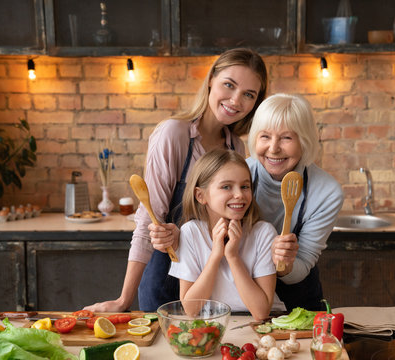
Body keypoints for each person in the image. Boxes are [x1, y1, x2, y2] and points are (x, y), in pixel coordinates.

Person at [84, 48, 268, 312]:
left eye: (248, 94)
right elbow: (149, 219)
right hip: (165, 280)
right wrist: (123, 300)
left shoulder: (236, 148)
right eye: (229, 85)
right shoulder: (174, 134)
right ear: (210, 81)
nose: (236, 100)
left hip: (212, 289)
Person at [246, 93, 344, 311]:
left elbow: (303, 264)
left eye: (286, 138)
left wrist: (284, 264)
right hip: (242, 298)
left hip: (297, 303)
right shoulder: (238, 176)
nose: (273, 148)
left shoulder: (326, 192)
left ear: (305, 140)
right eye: (265, 136)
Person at [169, 149, 285, 320]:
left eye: (245, 186)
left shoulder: (263, 233)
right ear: (201, 195)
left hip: (261, 323)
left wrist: (232, 256)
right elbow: (191, 309)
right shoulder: (191, 232)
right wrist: (216, 255)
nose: (239, 194)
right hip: (213, 322)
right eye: (226, 187)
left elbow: (261, 313)